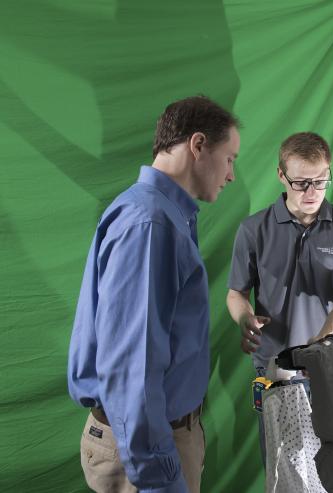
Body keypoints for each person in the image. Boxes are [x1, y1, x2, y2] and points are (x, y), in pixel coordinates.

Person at [68, 95, 240, 493]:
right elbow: (132, 370)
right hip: (145, 450)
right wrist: (162, 479)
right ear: (198, 145)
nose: (231, 174)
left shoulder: (163, 214)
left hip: (155, 438)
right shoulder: (151, 224)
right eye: (229, 158)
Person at [226, 131, 333, 463]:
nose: (312, 192)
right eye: (301, 182)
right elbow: (236, 293)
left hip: (330, 367)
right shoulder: (253, 230)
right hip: (276, 368)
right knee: (282, 464)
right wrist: (245, 317)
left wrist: (319, 342)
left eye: (320, 181)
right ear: (281, 175)